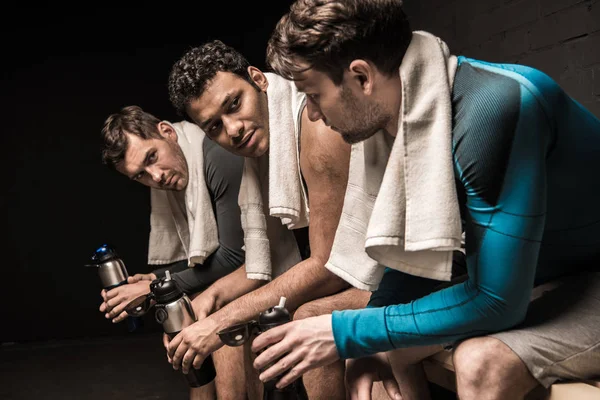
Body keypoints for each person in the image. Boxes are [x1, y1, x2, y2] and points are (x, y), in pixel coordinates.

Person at [251, 1, 600, 400]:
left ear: (361, 77)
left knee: (480, 362)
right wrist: (364, 340)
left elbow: (497, 302)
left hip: (584, 278)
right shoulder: (406, 112)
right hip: (542, 276)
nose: (311, 114)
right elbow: (417, 253)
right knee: (375, 351)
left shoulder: (493, 109)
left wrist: (348, 331)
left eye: (313, 95)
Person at [165, 39, 433, 400]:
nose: (232, 130)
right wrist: (212, 301)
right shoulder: (259, 157)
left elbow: (328, 266)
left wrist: (221, 321)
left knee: (307, 316)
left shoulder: (317, 128)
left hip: (415, 269)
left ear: (258, 79)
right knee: (227, 318)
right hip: (370, 273)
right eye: (213, 127)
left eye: (233, 105)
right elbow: (261, 267)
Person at [100, 105, 250, 400]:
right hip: (243, 267)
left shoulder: (217, 156)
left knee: (206, 314)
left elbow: (236, 256)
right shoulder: (176, 171)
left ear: (167, 131)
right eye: (140, 176)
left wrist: (155, 288)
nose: (155, 178)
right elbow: (207, 253)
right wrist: (155, 277)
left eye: (152, 157)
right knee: (179, 320)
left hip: (279, 263)